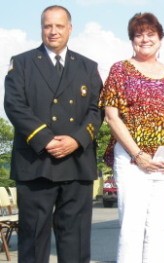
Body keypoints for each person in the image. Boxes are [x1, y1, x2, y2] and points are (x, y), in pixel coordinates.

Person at [4, 5, 103, 263]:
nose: (53, 31)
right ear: (41, 28)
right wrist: (45, 139)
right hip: (36, 162)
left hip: (77, 162)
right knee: (34, 239)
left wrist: (76, 140)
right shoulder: (22, 63)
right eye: (48, 26)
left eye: (59, 26)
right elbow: (14, 105)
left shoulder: (88, 66)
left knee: (75, 240)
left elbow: (97, 109)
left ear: (70, 28)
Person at [98, 12, 164, 263]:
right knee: (132, 227)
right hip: (131, 160)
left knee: (162, 228)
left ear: (161, 38)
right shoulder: (120, 70)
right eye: (139, 35)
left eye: (150, 34)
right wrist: (138, 155)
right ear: (131, 40)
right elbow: (111, 116)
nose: (145, 39)